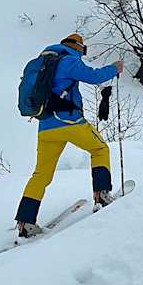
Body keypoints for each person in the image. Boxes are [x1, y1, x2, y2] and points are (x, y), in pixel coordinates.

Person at [15, 34, 123, 236]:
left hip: (46, 128)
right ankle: (102, 195)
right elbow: (94, 76)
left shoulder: (42, 63)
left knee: (41, 175)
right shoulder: (68, 60)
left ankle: (25, 222)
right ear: (78, 47)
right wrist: (115, 68)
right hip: (69, 122)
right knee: (100, 148)